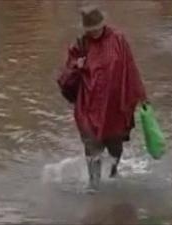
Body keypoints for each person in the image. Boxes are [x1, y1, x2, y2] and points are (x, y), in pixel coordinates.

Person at [57, 6, 147, 190]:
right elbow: (65, 81)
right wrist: (77, 67)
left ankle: (112, 175)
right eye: (90, 30)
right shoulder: (80, 45)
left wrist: (141, 96)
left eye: (97, 28)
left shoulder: (118, 39)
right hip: (88, 107)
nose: (94, 33)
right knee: (92, 146)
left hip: (114, 105)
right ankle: (94, 186)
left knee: (115, 148)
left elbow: (130, 68)